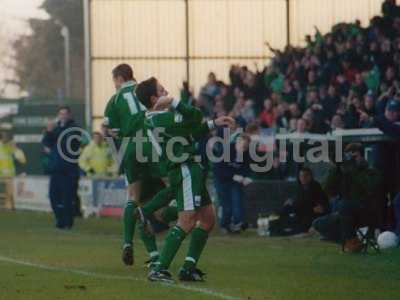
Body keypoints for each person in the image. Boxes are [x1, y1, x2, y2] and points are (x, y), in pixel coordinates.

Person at [135, 77, 234, 283]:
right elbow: (195, 116)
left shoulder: (158, 118)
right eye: (162, 90)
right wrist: (174, 103)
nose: (167, 92)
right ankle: (159, 268)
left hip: (190, 169)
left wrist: (214, 123)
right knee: (187, 221)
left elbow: (192, 131)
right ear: (154, 98)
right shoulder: (159, 118)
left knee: (207, 219)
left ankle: (188, 268)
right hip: (184, 170)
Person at [103, 63, 174, 266]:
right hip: (151, 142)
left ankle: (129, 243)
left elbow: (111, 130)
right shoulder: (146, 89)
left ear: (118, 78)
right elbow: (164, 105)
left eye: (114, 81)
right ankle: (176, 216)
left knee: (134, 199)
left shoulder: (114, 100)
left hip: (130, 148)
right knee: (172, 185)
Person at [312, 143, 382, 253]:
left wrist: (357, 169)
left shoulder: (371, 171)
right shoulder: (343, 172)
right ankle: (350, 240)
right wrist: (336, 169)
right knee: (318, 223)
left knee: (344, 204)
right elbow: (328, 191)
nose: (351, 159)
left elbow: (371, 189)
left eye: (355, 156)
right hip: (345, 214)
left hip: (366, 212)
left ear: (362, 157)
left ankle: (350, 241)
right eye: (349, 156)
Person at [42, 106, 80, 229]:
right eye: (60, 114)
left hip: (69, 171)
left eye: (65, 114)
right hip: (56, 169)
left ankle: (68, 222)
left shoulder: (74, 128)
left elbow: (67, 143)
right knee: (54, 197)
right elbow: (46, 143)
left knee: (67, 198)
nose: (62, 116)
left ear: (69, 115)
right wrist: (48, 131)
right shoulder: (56, 128)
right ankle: (59, 220)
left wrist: (54, 134)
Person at [273, 168, 329, 236]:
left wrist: (293, 203)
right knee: (285, 209)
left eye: (305, 176)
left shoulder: (315, 187)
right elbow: (299, 201)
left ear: (310, 177)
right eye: (301, 176)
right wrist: (292, 201)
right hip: (302, 212)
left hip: (310, 214)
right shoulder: (301, 187)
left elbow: (308, 203)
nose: (302, 178)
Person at [214, 134, 252, 233]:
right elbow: (219, 170)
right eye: (242, 147)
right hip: (222, 180)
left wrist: (246, 177)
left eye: (245, 147)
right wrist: (233, 176)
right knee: (226, 205)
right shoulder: (226, 150)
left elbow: (246, 167)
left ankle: (237, 223)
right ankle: (224, 225)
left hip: (235, 181)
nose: (243, 149)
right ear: (237, 142)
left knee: (237, 202)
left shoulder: (246, 153)